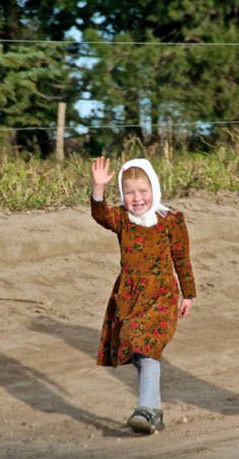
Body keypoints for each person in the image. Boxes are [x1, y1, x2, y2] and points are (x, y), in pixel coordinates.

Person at [90, 156, 196, 434]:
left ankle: (147, 409)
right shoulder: (123, 220)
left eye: (143, 191)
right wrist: (98, 188)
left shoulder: (171, 220)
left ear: (155, 189)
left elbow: (181, 258)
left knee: (144, 342)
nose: (137, 198)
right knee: (139, 349)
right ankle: (154, 412)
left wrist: (188, 294)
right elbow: (101, 215)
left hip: (162, 295)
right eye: (129, 192)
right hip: (129, 296)